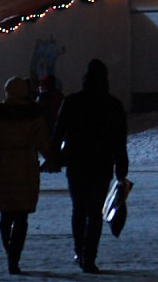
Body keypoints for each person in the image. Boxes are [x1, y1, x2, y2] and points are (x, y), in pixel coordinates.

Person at [52, 59, 129, 273]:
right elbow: (119, 139)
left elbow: (59, 131)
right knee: (95, 211)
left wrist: (54, 157)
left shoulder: (73, 101)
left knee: (79, 208)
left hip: (77, 162)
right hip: (101, 162)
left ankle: (79, 250)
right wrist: (121, 164)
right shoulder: (113, 105)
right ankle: (89, 255)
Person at [0, 76, 51, 275]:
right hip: (26, 164)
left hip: (5, 164)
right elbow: (43, 144)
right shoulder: (35, 114)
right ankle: (15, 255)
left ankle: (9, 249)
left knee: (6, 213)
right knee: (22, 215)